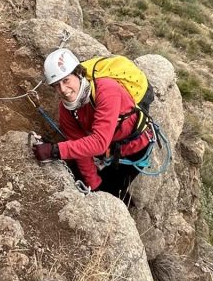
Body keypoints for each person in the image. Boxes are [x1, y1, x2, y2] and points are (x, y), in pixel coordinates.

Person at [32, 47, 152, 204]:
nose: (63, 90)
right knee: (97, 183)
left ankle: (122, 200)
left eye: (66, 80)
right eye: (56, 85)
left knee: (115, 189)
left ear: (78, 74)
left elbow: (99, 142)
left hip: (135, 146)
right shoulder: (66, 109)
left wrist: (55, 151)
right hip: (109, 147)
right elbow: (79, 146)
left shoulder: (106, 90)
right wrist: (94, 185)